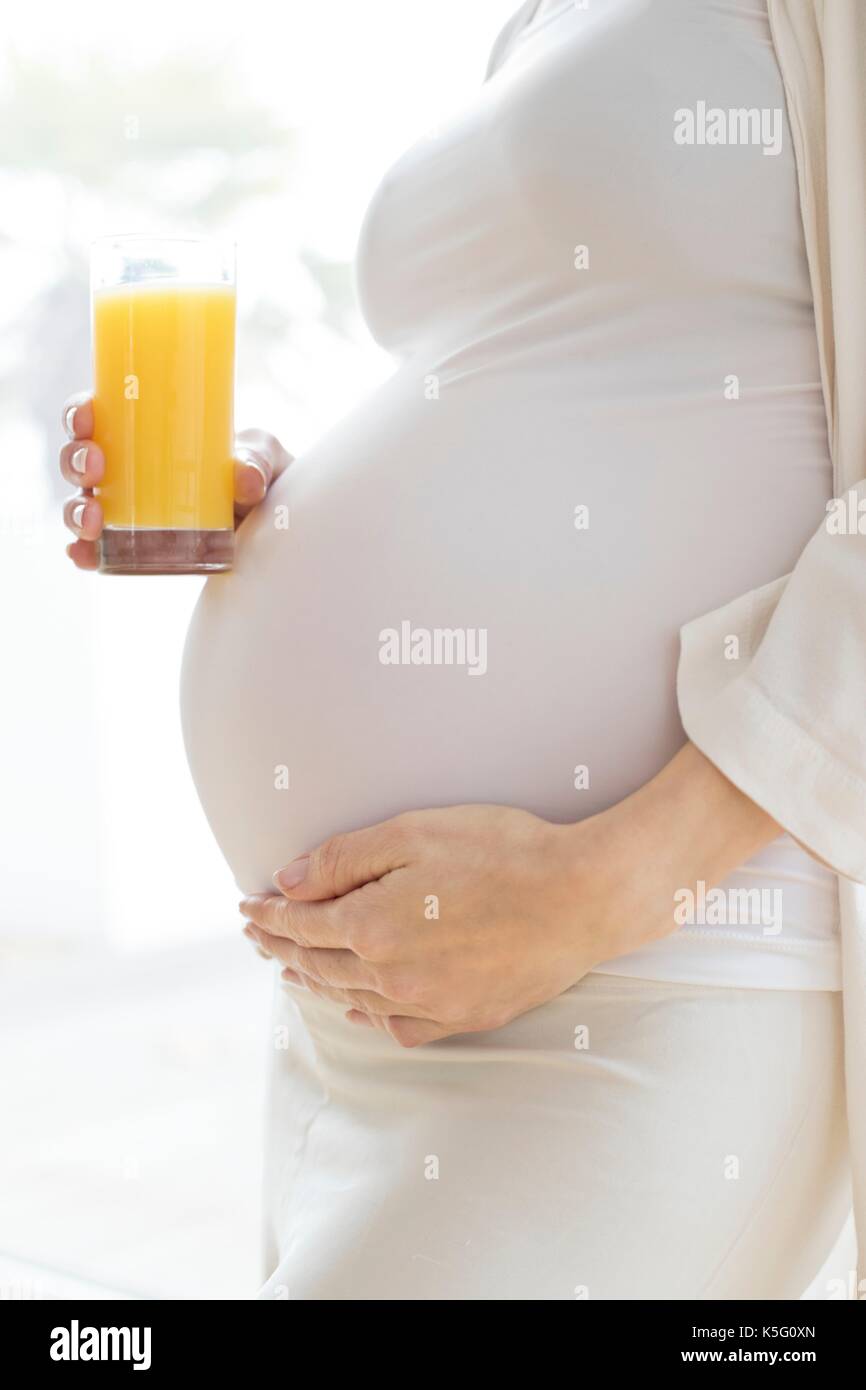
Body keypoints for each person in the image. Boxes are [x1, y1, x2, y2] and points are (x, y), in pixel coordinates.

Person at [60, 0, 865, 1299]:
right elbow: (573, 372)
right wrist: (281, 487)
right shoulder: (545, 18)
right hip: (363, 1001)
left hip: (645, 968)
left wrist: (617, 876)